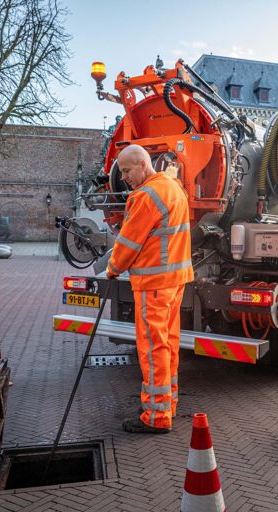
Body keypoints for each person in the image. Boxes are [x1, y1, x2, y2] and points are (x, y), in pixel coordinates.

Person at [106, 145, 193, 434]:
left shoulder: (144, 196)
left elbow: (129, 243)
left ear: (143, 164)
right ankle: (168, 403)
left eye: (128, 171)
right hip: (174, 281)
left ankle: (156, 416)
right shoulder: (173, 187)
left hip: (153, 284)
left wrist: (112, 269)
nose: (125, 177)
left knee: (153, 348)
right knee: (167, 345)